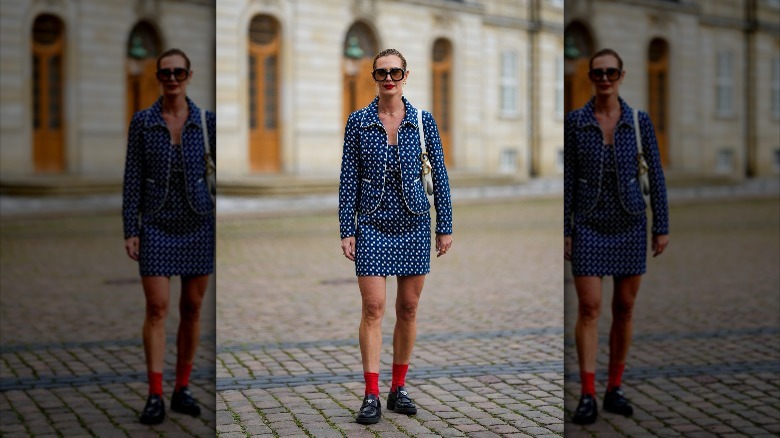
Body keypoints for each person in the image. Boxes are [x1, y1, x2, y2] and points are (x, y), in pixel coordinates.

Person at [338, 48, 453, 425]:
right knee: (373, 308)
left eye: (395, 72)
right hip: (370, 224)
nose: (389, 78)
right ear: (374, 77)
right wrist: (347, 229)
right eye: (382, 72)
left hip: (415, 222)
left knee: (408, 309)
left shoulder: (423, 120)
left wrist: (445, 225)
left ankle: (397, 388)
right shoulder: (358, 122)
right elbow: (348, 180)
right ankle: (370, 394)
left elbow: (440, 175)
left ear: (406, 75)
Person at [564, 48, 669, 425]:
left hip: (630, 224)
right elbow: (567, 180)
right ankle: (588, 393)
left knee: (624, 308)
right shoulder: (575, 122)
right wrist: (566, 230)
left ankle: (615, 388)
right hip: (589, 224)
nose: (604, 78)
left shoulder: (639, 122)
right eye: (597, 73)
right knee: (589, 308)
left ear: (621, 75)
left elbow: (655, 176)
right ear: (591, 77)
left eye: (610, 72)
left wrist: (662, 226)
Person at [122, 48, 215, 425]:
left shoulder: (207, 123)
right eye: (165, 73)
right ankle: (155, 393)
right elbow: (131, 178)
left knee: (191, 309)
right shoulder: (142, 122)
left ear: (189, 75)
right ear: (157, 77)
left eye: (178, 72)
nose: (172, 78)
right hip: (156, 224)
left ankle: (182, 387)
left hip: (199, 224)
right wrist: (131, 227)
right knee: (157, 307)